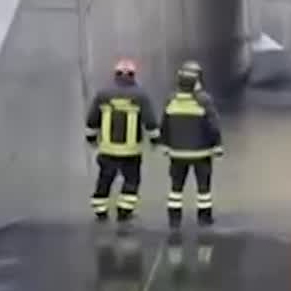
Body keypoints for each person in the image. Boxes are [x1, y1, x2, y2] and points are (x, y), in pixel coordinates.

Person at [86, 59, 161, 223]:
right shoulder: (140, 95)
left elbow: (92, 119)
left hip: (107, 149)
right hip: (131, 150)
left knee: (105, 179)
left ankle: (100, 210)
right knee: (131, 180)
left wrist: (91, 138)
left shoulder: (103, 94)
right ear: (133, 75)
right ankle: (124, 211)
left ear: (116, 74)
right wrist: (155, 140)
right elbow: (150, 121)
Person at [159, 62, 224, 229]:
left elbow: (165, 125)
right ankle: (204, 218)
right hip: (201, 154)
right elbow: (213, 125)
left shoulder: (171, 100)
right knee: (203, 189)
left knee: (176, 188)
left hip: (177, 154)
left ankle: (174, 219)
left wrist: (164, 144)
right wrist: (217, 145)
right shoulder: (204, 100)